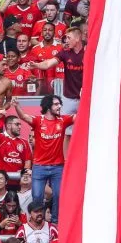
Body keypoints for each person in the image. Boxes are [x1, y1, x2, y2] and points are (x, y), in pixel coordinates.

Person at [12, 95, 73, 223]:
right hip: (39, 167)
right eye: (56, 104)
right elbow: (23, 117)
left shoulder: (63, 120)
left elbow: (80, 116)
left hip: (58, 167)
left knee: (59, 195)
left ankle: (55, 222)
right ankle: (37, 222)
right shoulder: (38, 121)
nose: (59, 106)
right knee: (37, 197)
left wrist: (85, 97)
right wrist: (17, 106)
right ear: (48, 106)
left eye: (60, 104)